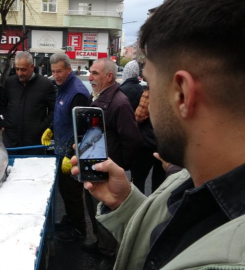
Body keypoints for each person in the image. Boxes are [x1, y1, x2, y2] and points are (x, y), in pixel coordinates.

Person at [71, 0, 245, 269]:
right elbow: (171, 242)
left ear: (182, 94)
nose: (148, 101)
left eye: (150, 84)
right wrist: (125, 204)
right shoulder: (190, 181)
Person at [83, 58, 142, 269]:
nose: (90, 77)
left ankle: (110, 254)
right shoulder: (100, 97)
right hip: (95, 166)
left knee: (107, 210)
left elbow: (133, 139)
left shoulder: (119, 102)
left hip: (107, 170)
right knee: (94, 208)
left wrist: (120, 165)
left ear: (109, 76)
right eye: (90, 72)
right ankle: (102, 244)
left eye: (95, 73)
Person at [41, 53, 89, 241]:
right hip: (62, 149)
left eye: (59, 71)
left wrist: (71, 154)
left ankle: (79, 229)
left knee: (73, 193)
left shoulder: (78, 93)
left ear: (69, 70)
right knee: (65, 190)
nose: (56, 75)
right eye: (53, 71)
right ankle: (70, 220)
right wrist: (51, 129)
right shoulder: (61, 86)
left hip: (72, 154)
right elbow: (60, 113)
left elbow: (83, 129)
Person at [0, 52, 55, 154]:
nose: (20, 73)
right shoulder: (9, 82)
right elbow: (3, 104)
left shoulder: (46, 85)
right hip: (11, 141)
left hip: (34, 142)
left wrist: (42, 127)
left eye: (23, 69)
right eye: (17, 69)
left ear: (32, 67)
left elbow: (54, 110)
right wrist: (4, 123)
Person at [131, 90, 166, 194]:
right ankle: (156, 206)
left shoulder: (150, 91)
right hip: (165, 142)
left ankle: (141, 207)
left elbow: (139, 116)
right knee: (160, 179)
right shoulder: (174, 90)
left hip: (148, 141)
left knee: (139, 178)